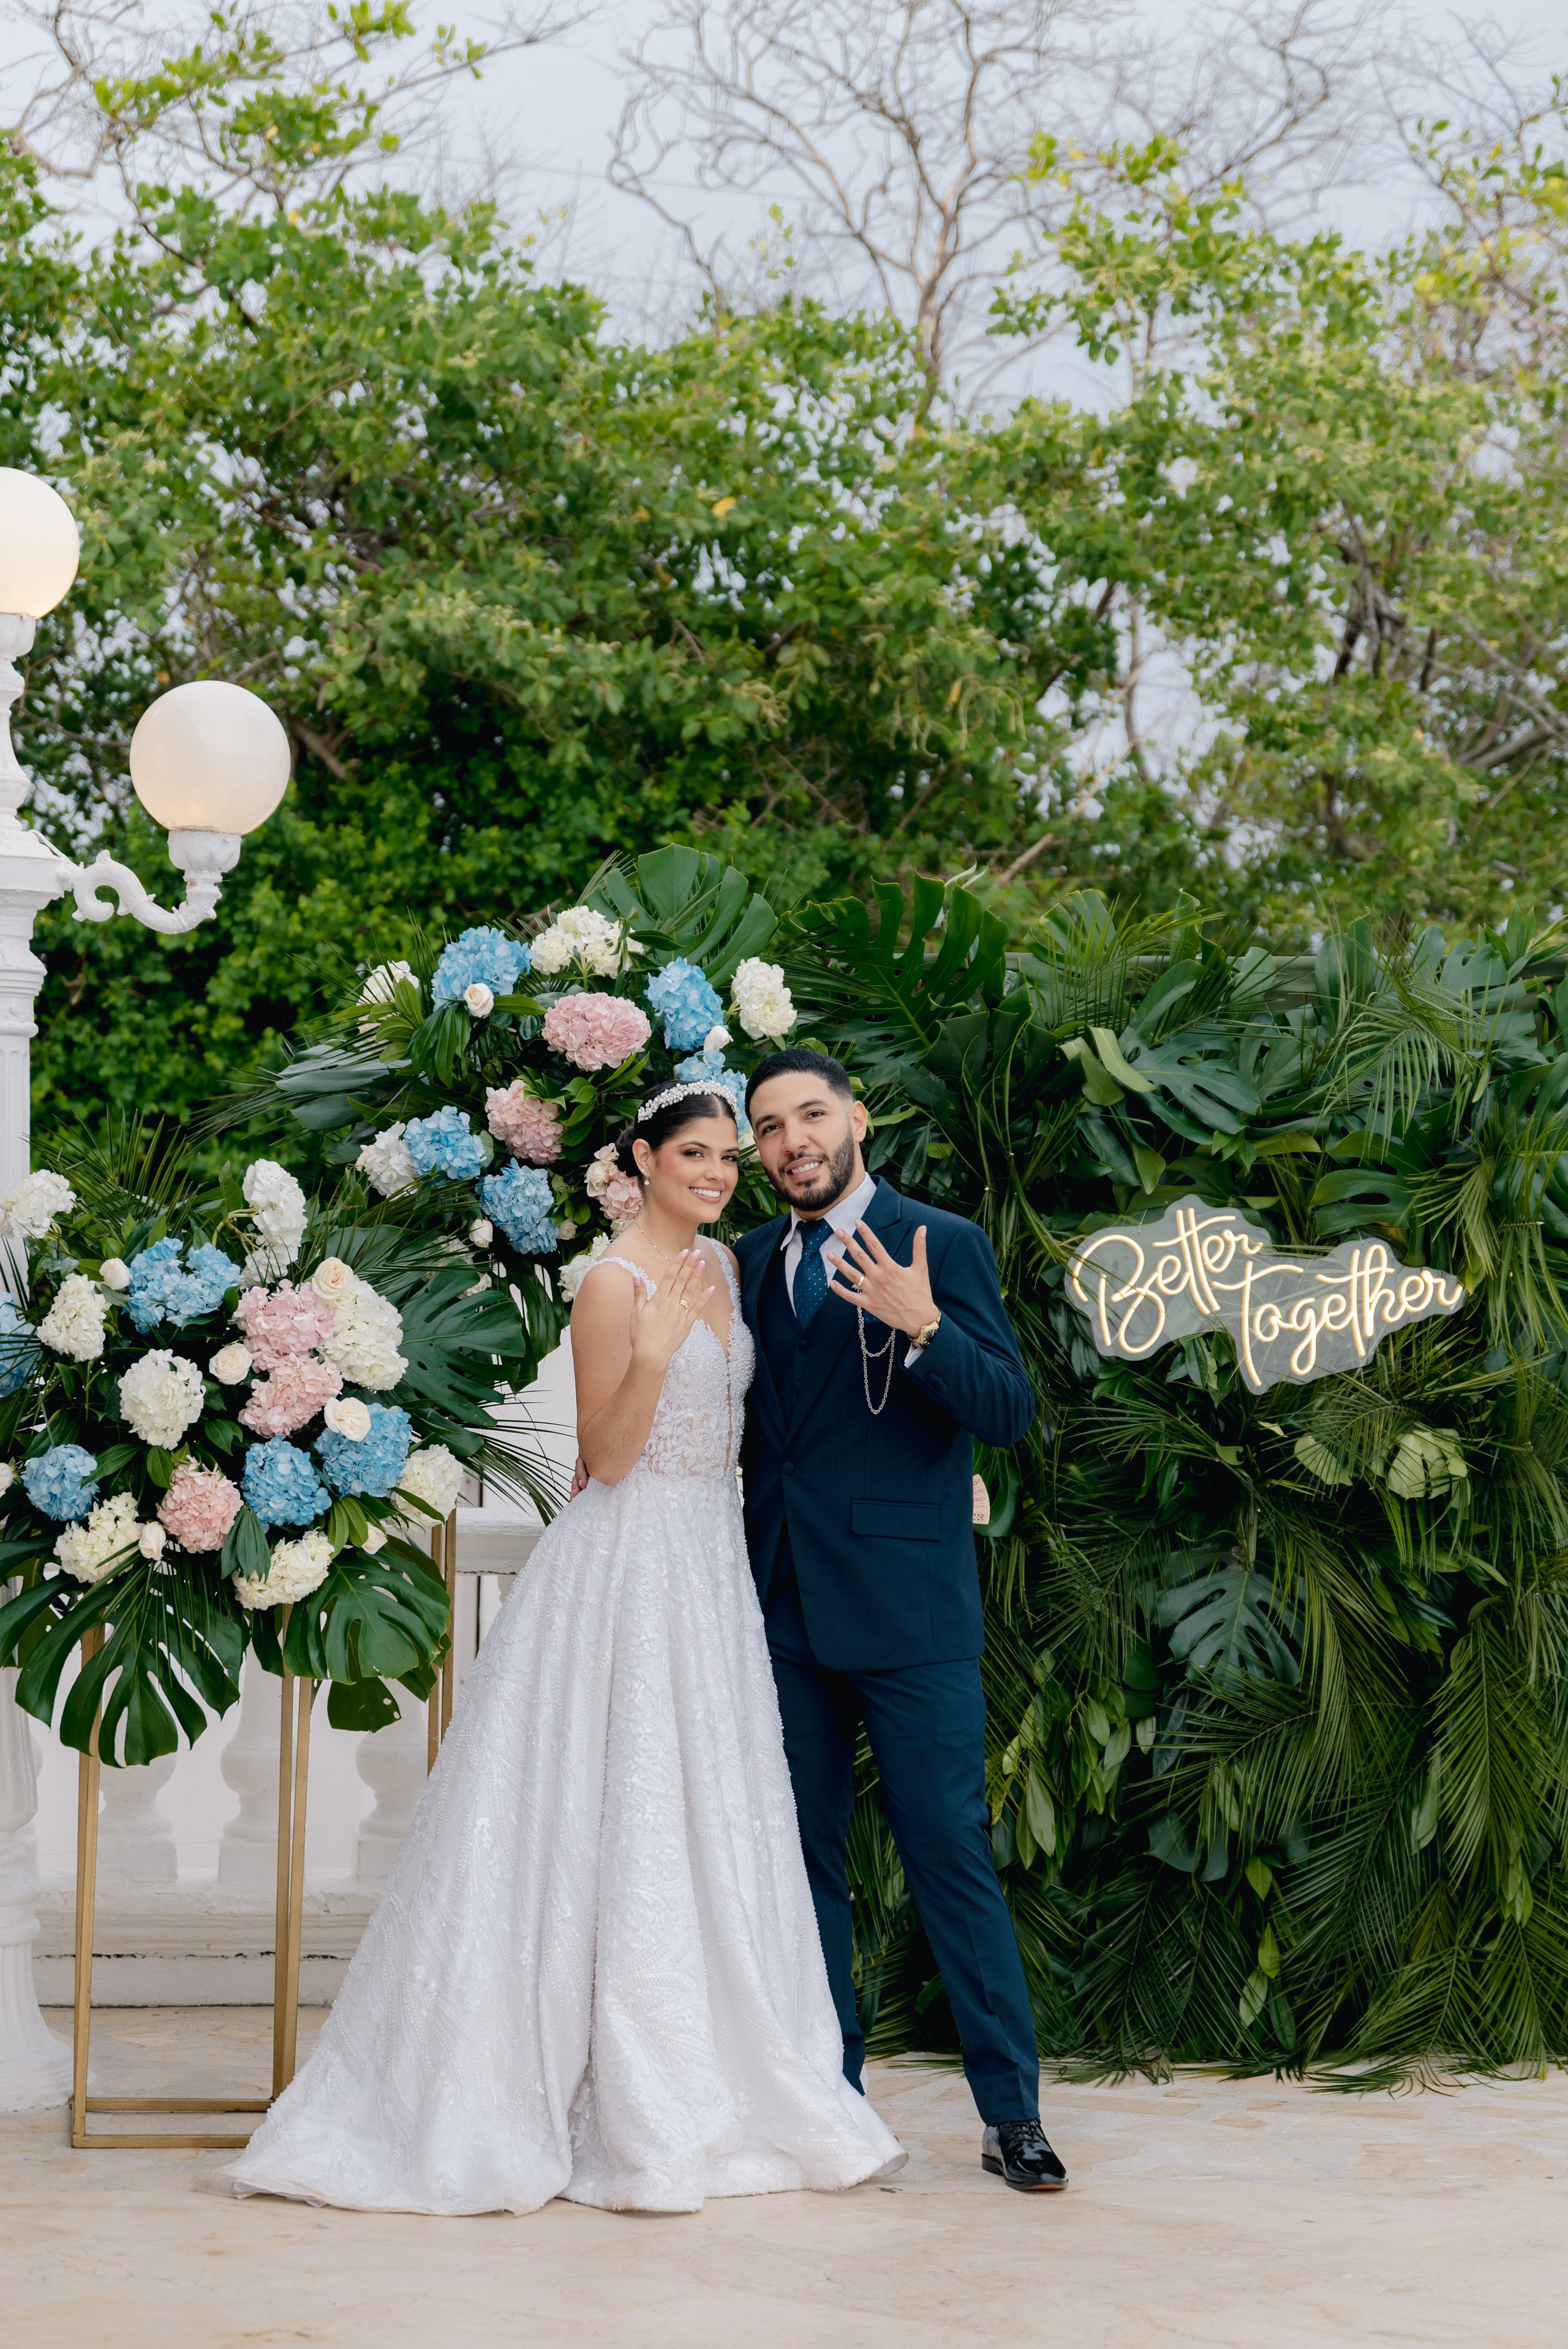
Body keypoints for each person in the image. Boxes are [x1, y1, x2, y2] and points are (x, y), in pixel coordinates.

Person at [223, 1082, 902, 2215]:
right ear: (640, 1159)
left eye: (728, 1157)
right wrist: (646, 1355)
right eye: (695, 1154)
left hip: (708, 1572)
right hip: (627, 1562)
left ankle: (725, 2077)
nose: (720, 1172)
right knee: (603, 1806)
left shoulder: (732, 1270)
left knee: (703, 1809)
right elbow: (611, 1456)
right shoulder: (610, 1282)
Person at [735, 1047, 1068, 2195]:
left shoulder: (942, 1243)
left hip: (913, 1611)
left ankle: (1010, 2113)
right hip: (779, 1608)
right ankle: (833, 2098)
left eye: (811, 1116)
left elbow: (1010, 1411)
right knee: (801, 1864)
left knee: (948, 1856)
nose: (794, 1142)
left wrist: (927, 1328)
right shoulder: (741, 1263)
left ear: (856, 1119)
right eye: (770, 1127)